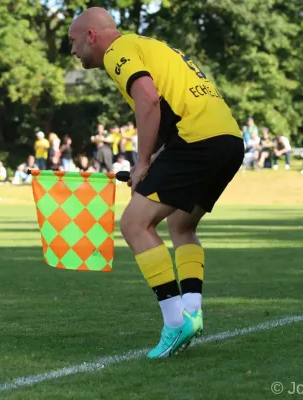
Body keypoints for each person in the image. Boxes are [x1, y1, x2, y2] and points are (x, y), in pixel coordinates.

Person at [69, 8, 244, 359]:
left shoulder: (118, 51)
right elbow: (170, 109)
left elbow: (148, 99)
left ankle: (175, 321)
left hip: (197, 140)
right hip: (228, 140)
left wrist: (144, 161)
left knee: (134, 224)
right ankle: (191, 311)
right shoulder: (149, 45)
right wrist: (153, 162)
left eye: (73, 41)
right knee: (181, 223)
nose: (72, 51)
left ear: (91, 36)